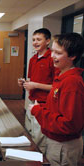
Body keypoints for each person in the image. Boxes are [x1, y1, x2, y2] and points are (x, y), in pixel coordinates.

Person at [30, 32, 84, 166]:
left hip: (63, 145)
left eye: (58, 53)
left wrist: (38, 111)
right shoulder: (61, 77)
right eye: (53, 51)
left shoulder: (72, 83)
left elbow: (68, 124)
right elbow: (56, 110)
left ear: (72, 56)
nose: (52, 56)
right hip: (55, 140)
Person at [18, 28, 56, 152]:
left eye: (39, 39)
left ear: (48, 41)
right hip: (32, 102)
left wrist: (35, 85)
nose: (35, 42)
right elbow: (31, 80)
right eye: (33, 39)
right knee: (29, 133)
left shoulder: (52, 59)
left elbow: (56, 87)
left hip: (45, 104)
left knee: (40, 139)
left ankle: (40, 161)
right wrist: (25, 82)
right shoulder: (33, 59)